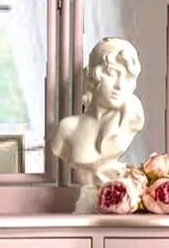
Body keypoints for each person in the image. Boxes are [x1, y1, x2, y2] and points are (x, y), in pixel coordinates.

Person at [51, 37, 144, 186]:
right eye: (112, 73)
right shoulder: (68, 128)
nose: (120, 85)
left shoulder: (131, 118)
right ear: (93, 75)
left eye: (127, 77)